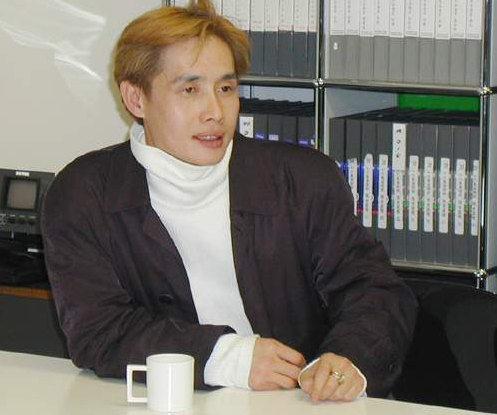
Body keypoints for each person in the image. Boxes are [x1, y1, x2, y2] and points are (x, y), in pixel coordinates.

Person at [41, 0, 417, 403]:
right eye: (190, 90)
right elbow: (98, 330)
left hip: (302, 403)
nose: (215, 112)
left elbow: (373, 289)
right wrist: (228, 357)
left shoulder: (301, 179)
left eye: (226, 88)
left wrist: (349, 359)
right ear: (136, 99)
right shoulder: (84, 195)